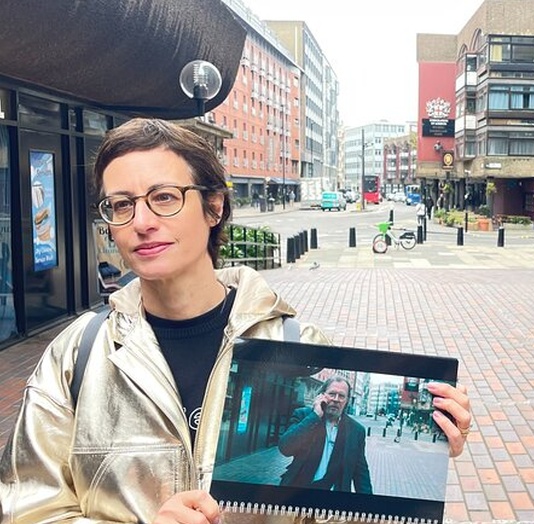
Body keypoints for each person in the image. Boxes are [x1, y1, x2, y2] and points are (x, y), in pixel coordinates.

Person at [0, 118, 473, 523]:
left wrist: (432, 456)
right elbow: (24, 507)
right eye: (121, 204)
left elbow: (339, 507)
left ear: (214, 206)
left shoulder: (295, 343)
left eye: (164, 197)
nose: (141, 221)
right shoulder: (77, 355)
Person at [278, 376, 372, 494]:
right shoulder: (303, 416)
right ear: (322, 395)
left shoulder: (356, 431)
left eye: (341, 396)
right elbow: (285, 448)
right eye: (332, 394)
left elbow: (361, 472)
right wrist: (315, 415)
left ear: (347, 400)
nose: (336, 399)